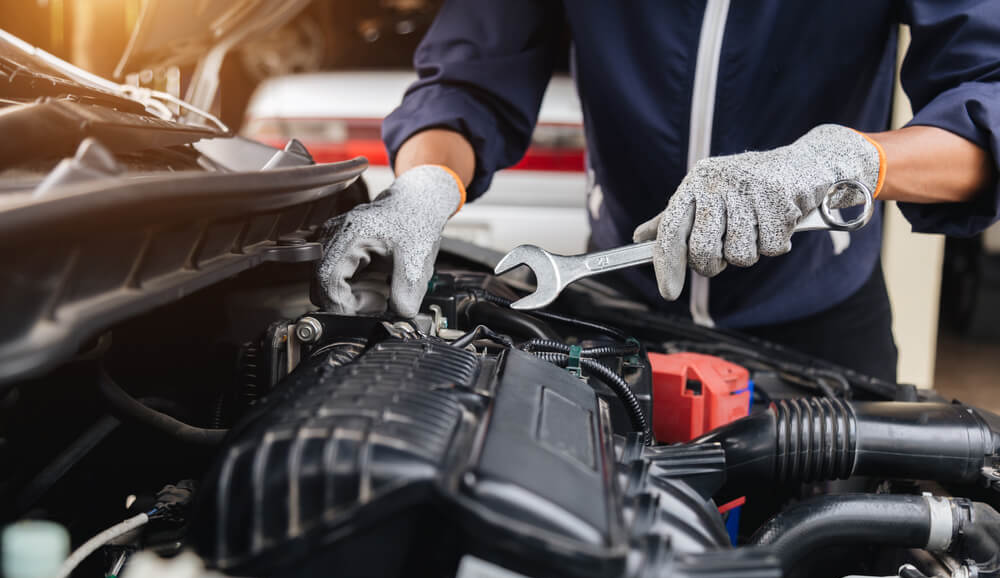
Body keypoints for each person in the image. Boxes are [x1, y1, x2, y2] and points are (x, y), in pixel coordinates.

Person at [316, 2, 1000, 382]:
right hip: (616, 322)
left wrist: (840, 160)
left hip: (821, 336)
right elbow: (471, 77)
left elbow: (988, 102)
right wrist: (426, 184)